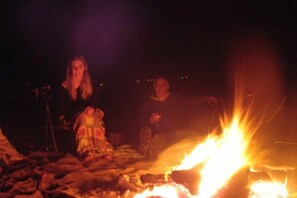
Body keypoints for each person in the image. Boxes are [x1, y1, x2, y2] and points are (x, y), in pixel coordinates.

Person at [53, 56, 113, 162]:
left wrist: (91, 108)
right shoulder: (64, 86)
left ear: (84, 68)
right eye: (74, 67)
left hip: (85, 113)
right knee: (83, 118)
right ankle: (85, 151)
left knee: (93, 117)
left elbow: (94, 101)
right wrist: (83, 109)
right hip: (69, 116)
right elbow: (64, 109)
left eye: (80, 66)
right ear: (70, 69)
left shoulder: (89, 84)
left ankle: (100, 150)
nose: (77, 69)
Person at [138, 76, 185, 157]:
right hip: (154, 134)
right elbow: (140, 120)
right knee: (148, 136)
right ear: (154, 87)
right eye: (157, 85)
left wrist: (206, 98)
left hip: (171, 133)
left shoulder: (175, 98)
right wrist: (150, 121)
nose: (160, 88)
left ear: (167, 87)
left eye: (162, 85)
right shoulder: (148, 103)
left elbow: (190, 101)